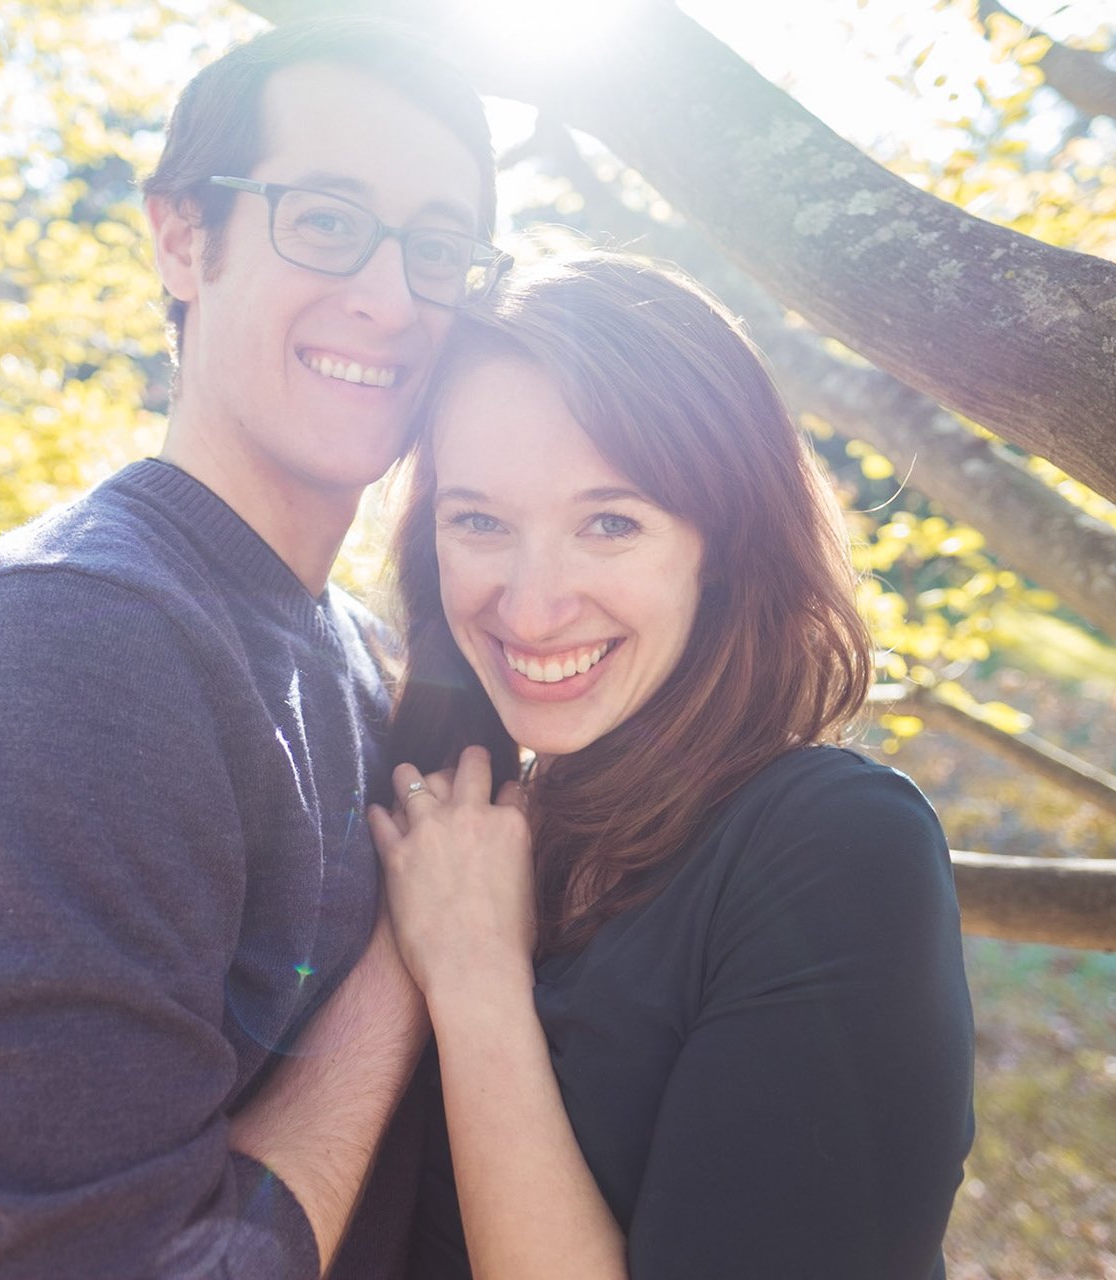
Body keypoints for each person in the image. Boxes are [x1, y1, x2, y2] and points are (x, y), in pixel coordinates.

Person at [0, 20, 501, 1279]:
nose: (391, 298)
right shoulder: (72, 629)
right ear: (180, 235)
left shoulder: (354, 648)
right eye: (325, 219)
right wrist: (412, 960)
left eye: (437, 248)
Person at [364, 251, 977, 1279]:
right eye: (479, 521)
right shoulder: (478, 825)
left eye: (610, 522)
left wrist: (474, 981)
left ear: (725, 544)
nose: (530, 606)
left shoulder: (838, 850)